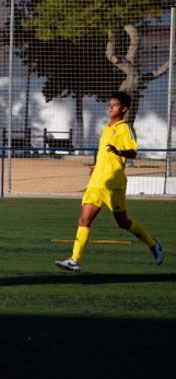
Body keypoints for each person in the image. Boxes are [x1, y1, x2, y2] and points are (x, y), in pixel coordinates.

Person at [55, 91, 164, 272]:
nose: (110, 107)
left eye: (114, 105)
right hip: (97, 182)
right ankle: (75, 260)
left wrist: (119, 152)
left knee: (123, 223)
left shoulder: (125, 128)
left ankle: (153, 244)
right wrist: (96, 167)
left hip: (114, 184)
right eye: (110, 104)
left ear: (124, 109)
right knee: (84, 219)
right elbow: (104, 155)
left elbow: (133, 152)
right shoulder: (106, 128)